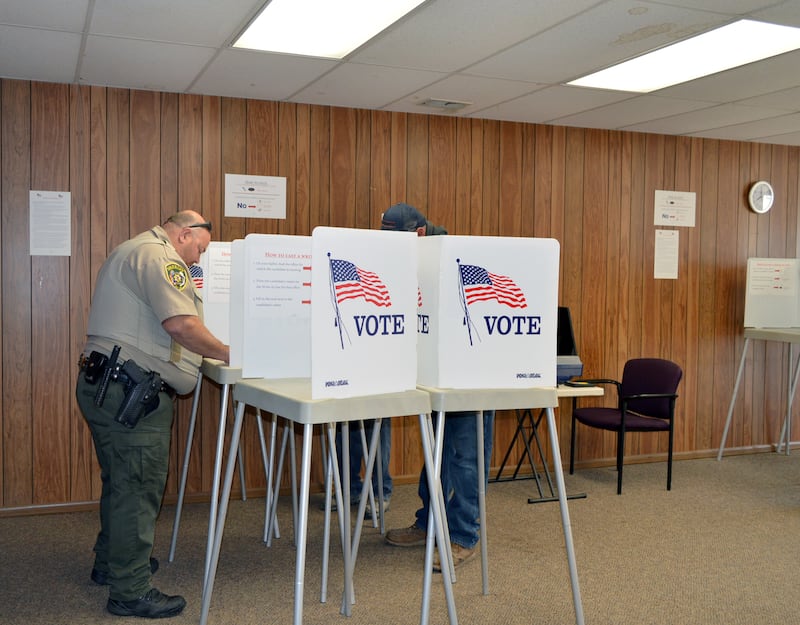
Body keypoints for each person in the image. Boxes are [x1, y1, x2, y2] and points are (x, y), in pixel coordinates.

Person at [75, 210, 229, 619]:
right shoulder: (161, 258)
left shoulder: (135, 250)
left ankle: (113, 563)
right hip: (128, 391)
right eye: (199, 248)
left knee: (122, 482)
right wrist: (236, 353)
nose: (197, 259)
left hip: (108, 385)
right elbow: (181, 325)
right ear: (184, 234)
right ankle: (129, 589)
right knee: (137, 488)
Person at [381, 202, 495, 570]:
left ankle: (464, 536)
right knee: (436, 456)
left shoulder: (452, 254)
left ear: (417, 232)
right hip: (435, 376)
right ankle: (428, 522)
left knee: (465, 459)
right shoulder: (417, 257)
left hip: (470, 375)